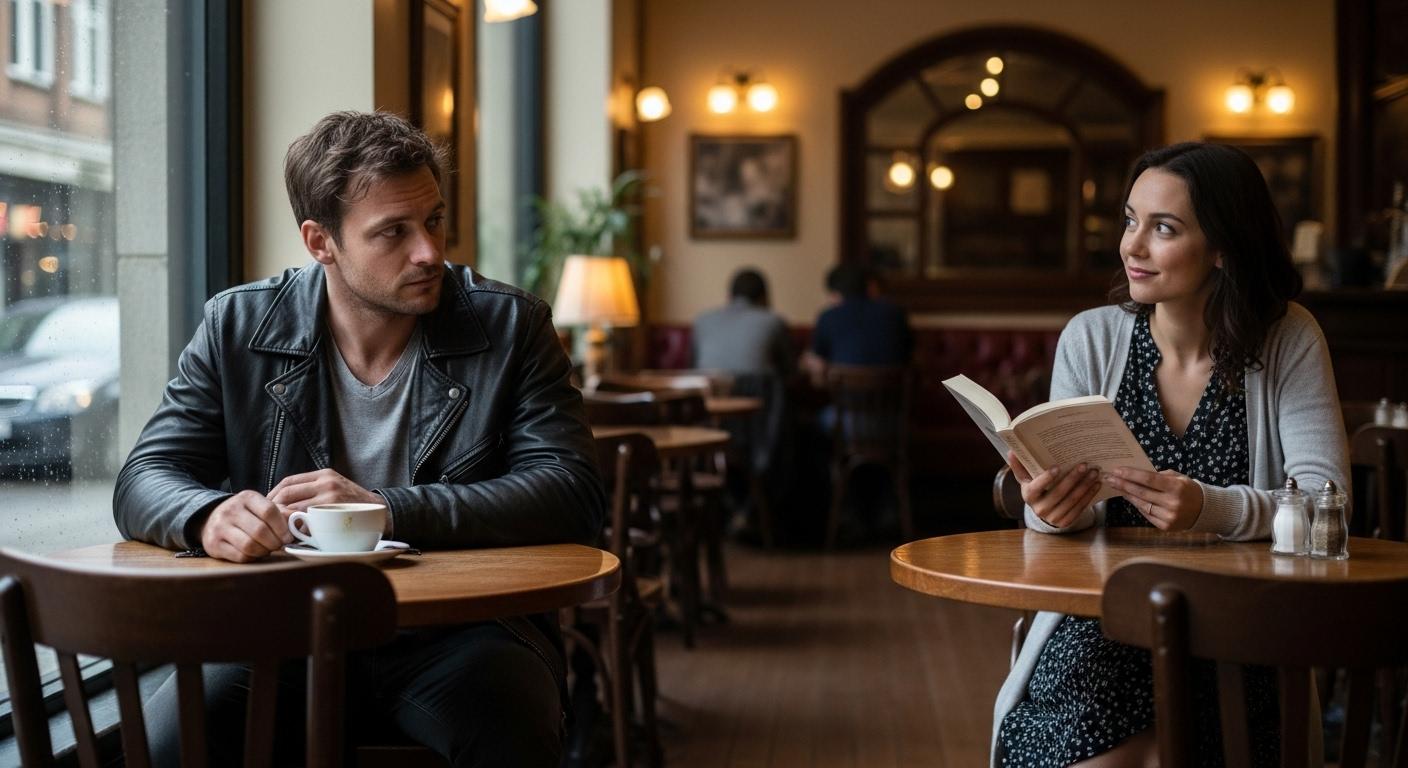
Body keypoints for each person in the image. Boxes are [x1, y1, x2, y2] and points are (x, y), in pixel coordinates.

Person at [113, 111, 604, 767]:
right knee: (170, 742)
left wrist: (386, 507)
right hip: (282, 627)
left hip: (462, 634)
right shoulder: (236, 325)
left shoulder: (511, 328)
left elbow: (571, 491)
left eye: (432, 220)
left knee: (512, 727)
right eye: (392, 233)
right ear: (321, 242)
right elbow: (146, 475)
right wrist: (206, 516)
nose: (429, 251)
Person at [991, 142, 1349, 766]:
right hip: (1104, 621)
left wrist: (1208, 509)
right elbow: (1060, 531)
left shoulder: (1289, 336)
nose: (1132, 245)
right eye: (1131, 220)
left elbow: (1327, 504)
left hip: (1241, 633)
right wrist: (1053, 510)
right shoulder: (1092, 337)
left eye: (1164, 228)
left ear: (1222, 247)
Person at [801, 262, 912, 385]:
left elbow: (818, 370)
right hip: (895, 401)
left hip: (845, 402)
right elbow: (908, 355)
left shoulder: (828, 317)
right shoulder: (896, 313)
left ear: (835, 293)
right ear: (869, 287)